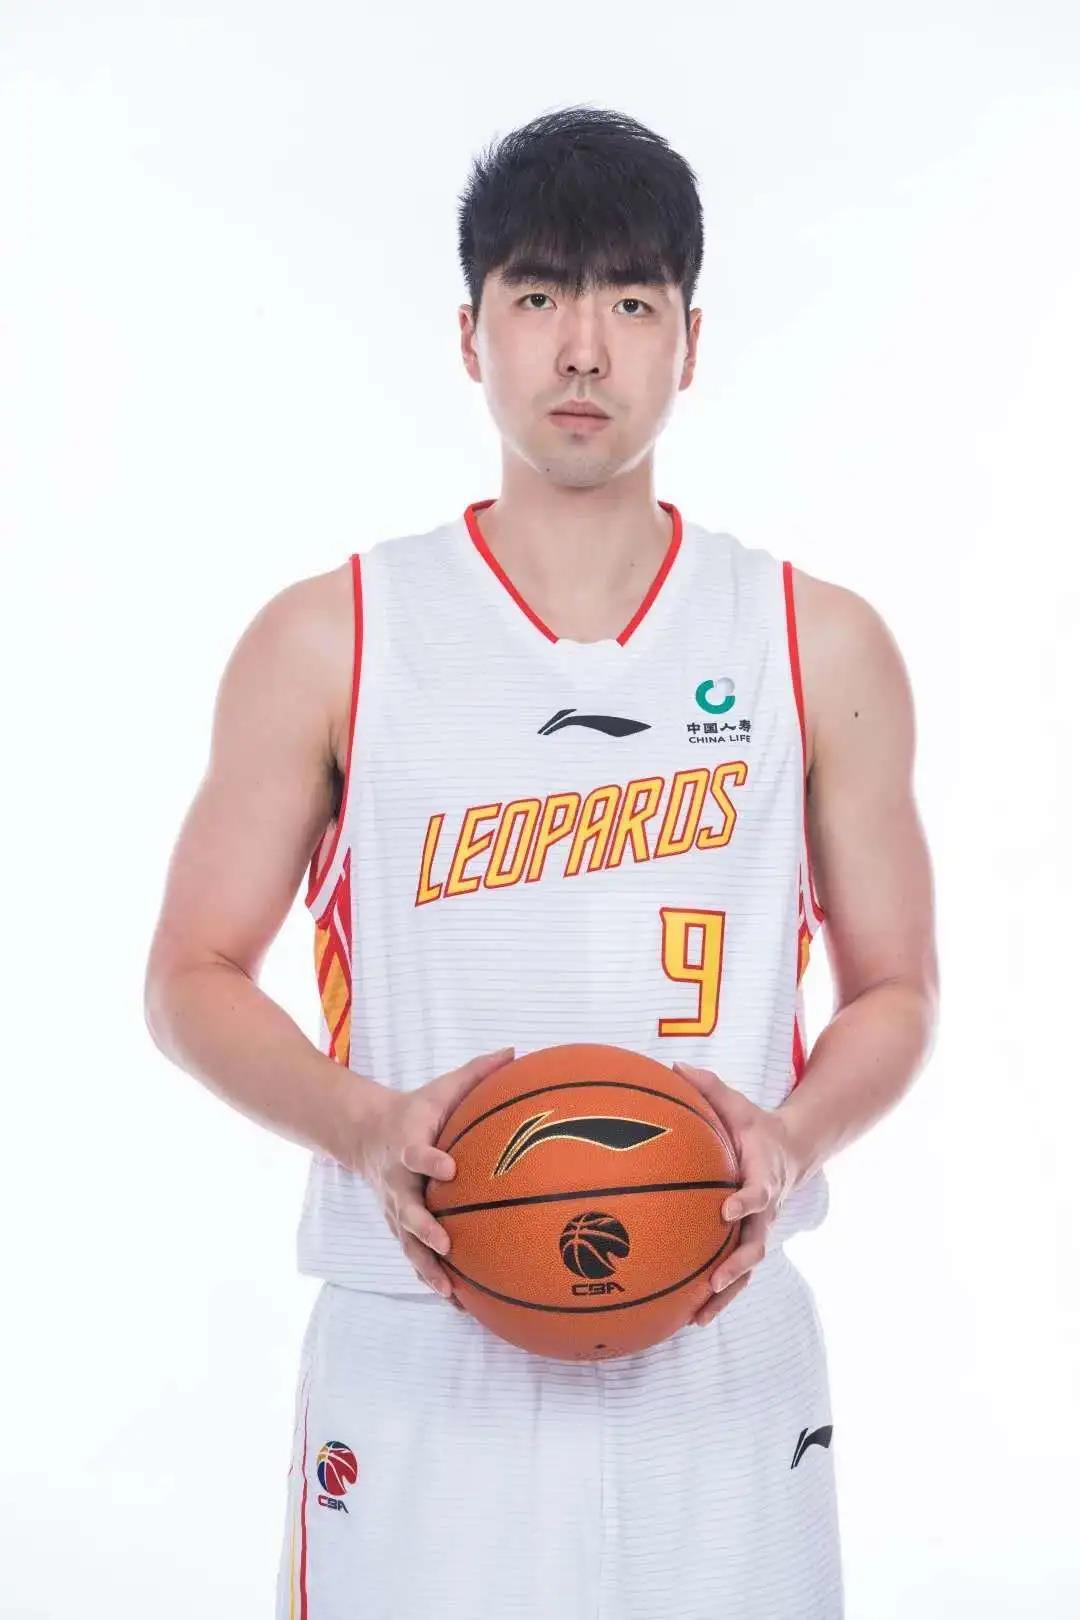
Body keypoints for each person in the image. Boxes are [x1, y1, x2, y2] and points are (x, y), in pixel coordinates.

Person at [143, 104, 938, 1620]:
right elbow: (188, 977)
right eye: (538, 296)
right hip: (423, 1335)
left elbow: (897, 989)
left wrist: (789, 1139)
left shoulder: (814, 643)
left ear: (690, 344)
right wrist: (369, 1129)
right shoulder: (334, 637)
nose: (583, 349)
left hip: (716, 1338)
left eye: (631, 301)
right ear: (469, 334)